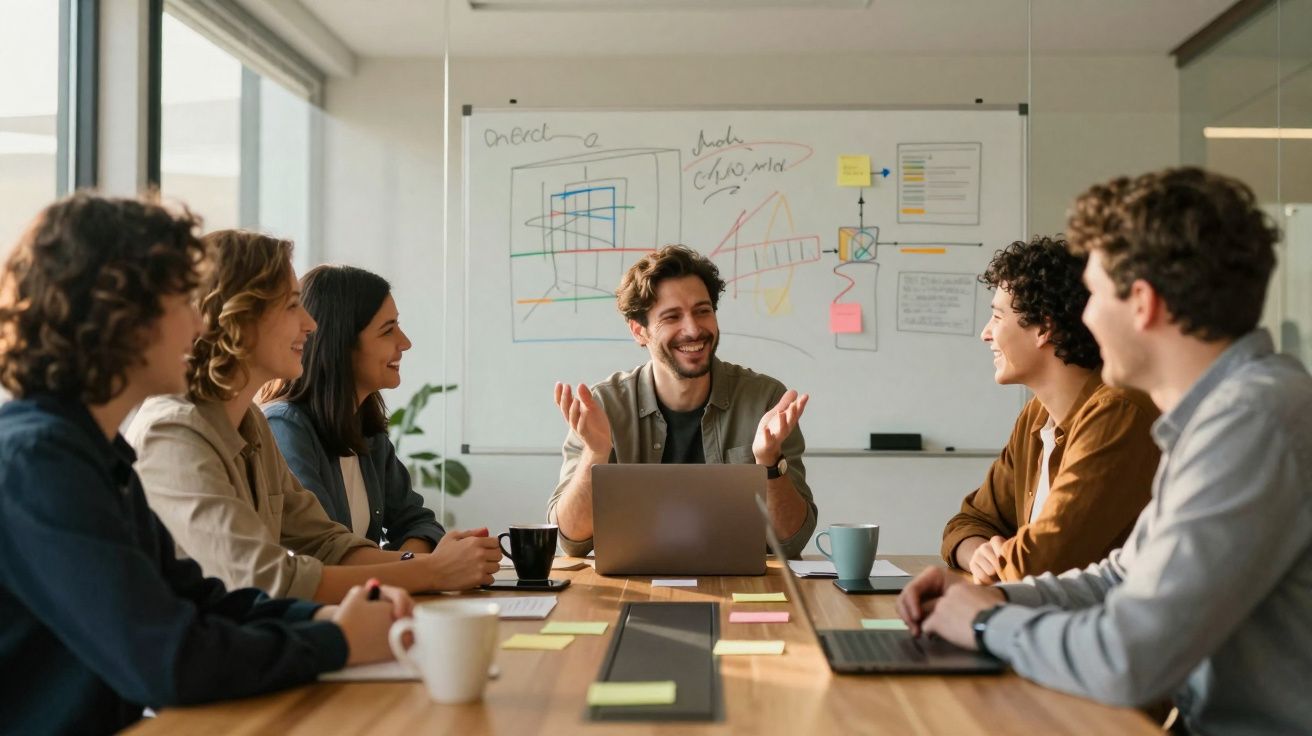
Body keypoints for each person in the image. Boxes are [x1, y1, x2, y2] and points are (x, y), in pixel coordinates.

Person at [897, 167, 1312, 735]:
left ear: (1142, 303)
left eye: (1093, 295)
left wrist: (989, 623)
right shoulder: (1220, 415)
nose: (1083, 318)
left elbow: (1128, 658)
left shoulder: (1253, 421)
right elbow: (1120, 577)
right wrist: (994, 599)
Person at [0, 194, 410, 735]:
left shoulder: (94, 453)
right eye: (181, 300)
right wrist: (337, 639)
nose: (201, 323)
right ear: (120, 315)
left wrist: (325, 618)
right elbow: (168, 658)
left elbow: (198, 599)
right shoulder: (38, 462)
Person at [127, 230, 499, 604]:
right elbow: (266, 579)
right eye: (291, 305)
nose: (311, 324)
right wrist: (431, 570)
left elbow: (327, 543)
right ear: (240, 318)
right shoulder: (174, 432)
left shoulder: (250, 422)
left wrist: (429, 567)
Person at [547, 245, 817, 558]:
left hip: (743, 588)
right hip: (631, 587)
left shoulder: (765, 401)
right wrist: (595, 452)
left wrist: (769, 463)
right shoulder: (603, 405)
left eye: (703, 311)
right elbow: (570, 540)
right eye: (672, 317)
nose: (693, 330)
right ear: (639, 331)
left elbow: (792, 540)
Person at [941, 236, 1159, 583]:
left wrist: (1000, 560)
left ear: (1043, 328)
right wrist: (978, 552)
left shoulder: (1119, 413)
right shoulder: (1037, 414)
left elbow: (1046, 560)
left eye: (997, 317)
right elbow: (968, 522)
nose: (986, 333)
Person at [260, 265, 443, 552]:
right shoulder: (286, 427)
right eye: (387, 331)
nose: (404, 343)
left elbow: (419, 521)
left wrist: (414, 564)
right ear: (340, 344)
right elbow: (326, 550)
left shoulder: (366, 432)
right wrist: (420, 567)